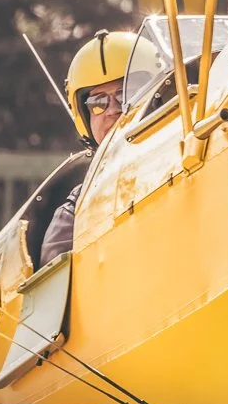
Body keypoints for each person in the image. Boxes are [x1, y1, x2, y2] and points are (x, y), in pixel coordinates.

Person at [38, 30, 157, 265]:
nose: (112, 109)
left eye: (126, 94)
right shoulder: (76, 211)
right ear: (85, 115)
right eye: (98, 102)